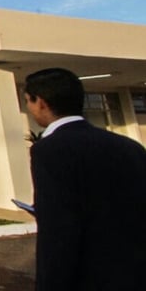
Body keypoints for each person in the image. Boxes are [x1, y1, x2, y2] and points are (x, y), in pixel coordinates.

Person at [25, 68, 146, 290]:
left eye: (28, 102)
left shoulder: (49, 151)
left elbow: (59, 232)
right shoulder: (131, 147)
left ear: (40, 102)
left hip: (89, 277)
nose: (29, 108)